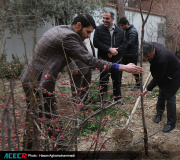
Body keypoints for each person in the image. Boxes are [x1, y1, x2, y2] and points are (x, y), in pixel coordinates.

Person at [20, 13, 143, 150]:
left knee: (33, 114)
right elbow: (90, 61)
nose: (89, 36)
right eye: (88, 31)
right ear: (78, 25)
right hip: (39, 82)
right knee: (51, 117)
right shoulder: (69, 36)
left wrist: (54, 70)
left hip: (31, 76)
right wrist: (122, 67)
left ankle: (27, 146)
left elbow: (51, 53)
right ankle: (61, 148)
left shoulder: (61, 29)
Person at [142, 42, 180, 133]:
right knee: (161, 95)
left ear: (154, 51)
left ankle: (171, 123)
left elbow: (157, 78)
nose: (146, 59)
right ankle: (159, 114)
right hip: (165, 74)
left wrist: (147, 89)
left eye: (148, 57)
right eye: (145, 56)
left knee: (170, 98)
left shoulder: (162, 59)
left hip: (174, 77)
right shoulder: (151, 45)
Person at [93, 10, 127, 102]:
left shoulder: (120, 31)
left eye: (107, 18)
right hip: (104, 60)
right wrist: (108, 49)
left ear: (113, 19)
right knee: (104, 80)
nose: (104, 20)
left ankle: (117, 98)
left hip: (117, 59)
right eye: (103, 18)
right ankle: (102, 100)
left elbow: (124, 44)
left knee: (117, 80)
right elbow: (96, 43)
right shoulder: (99, 29)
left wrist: (116, 51)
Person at [67, 38, 95, 108]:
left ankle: (85, 104)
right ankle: (78, 106)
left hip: (88, 66)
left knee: (86, 86)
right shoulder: (73, 38)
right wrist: (73, 67)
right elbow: (68, 54)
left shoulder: (87, 37)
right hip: (77, 67)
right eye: (88, 32)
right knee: (77, 88)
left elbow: (90, 49)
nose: (89, 35)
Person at [118, 17, 140, 91]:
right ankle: (118, 82)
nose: (121, 27)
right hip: (127, 54)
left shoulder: (132, 31)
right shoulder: (128, 31)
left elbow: (130, 43)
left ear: (127, 24)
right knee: (120, 67)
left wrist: (121, 46)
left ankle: (138, 84)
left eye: (122, 26)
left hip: (131, 54)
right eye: (120, 26)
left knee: (134, 70)